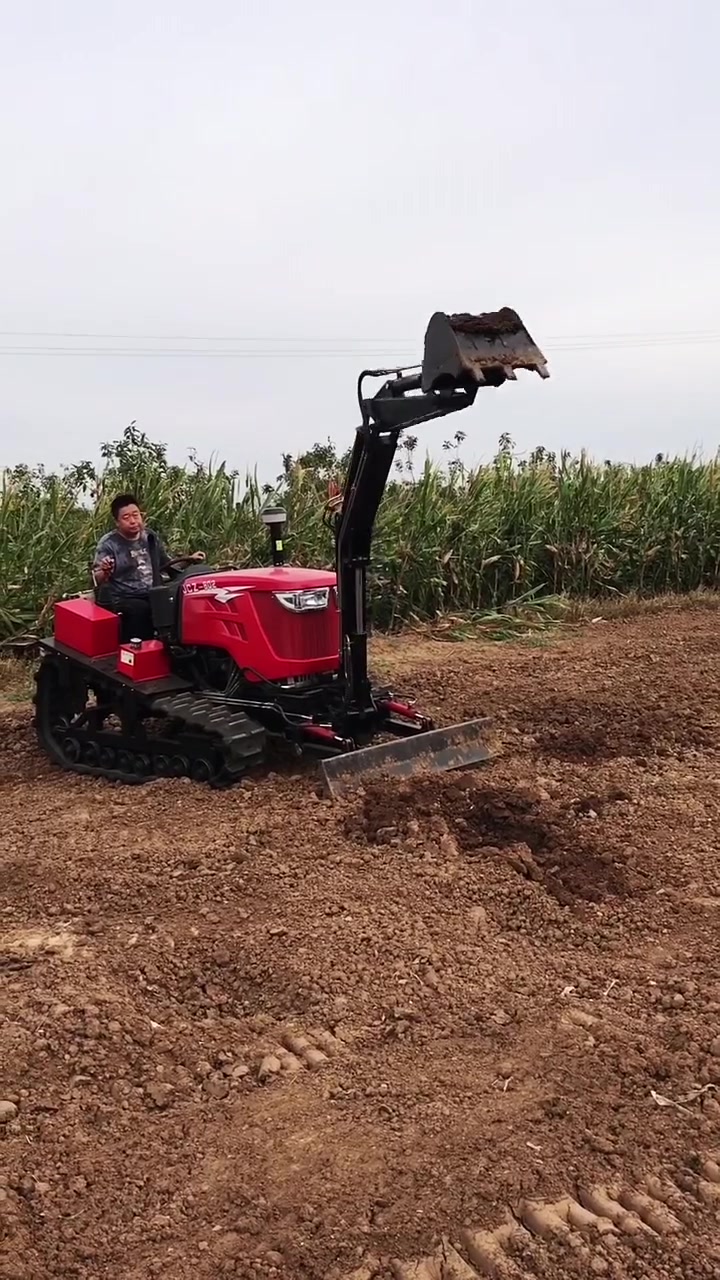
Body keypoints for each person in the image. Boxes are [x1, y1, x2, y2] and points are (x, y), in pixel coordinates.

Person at [92, 493, 205, 642]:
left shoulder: (150, 537)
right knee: (141, 610)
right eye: (126, 518)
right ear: (117, 522)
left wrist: (190, 560)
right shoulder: (109, 544)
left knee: (178, 601)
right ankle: (137, 653)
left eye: (136, 515)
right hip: (124, 596)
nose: (133, 521)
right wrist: (105, 571)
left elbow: (167, 565)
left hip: (152, 591)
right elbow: (97, 577)